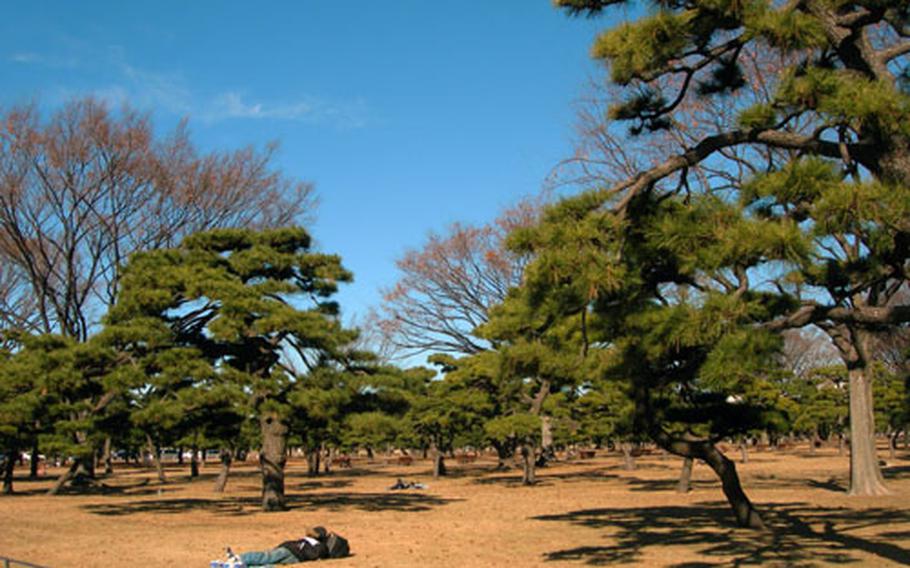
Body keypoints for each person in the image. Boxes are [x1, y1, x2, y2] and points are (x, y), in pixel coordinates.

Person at [220, 527, 348, 566]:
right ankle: (242, 564)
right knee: (271, 562)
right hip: (294, 557)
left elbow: (312, 553)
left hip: (291, 552)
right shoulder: (314, 544)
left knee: (266, 557)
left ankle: (241, 559)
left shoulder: (316, 545)